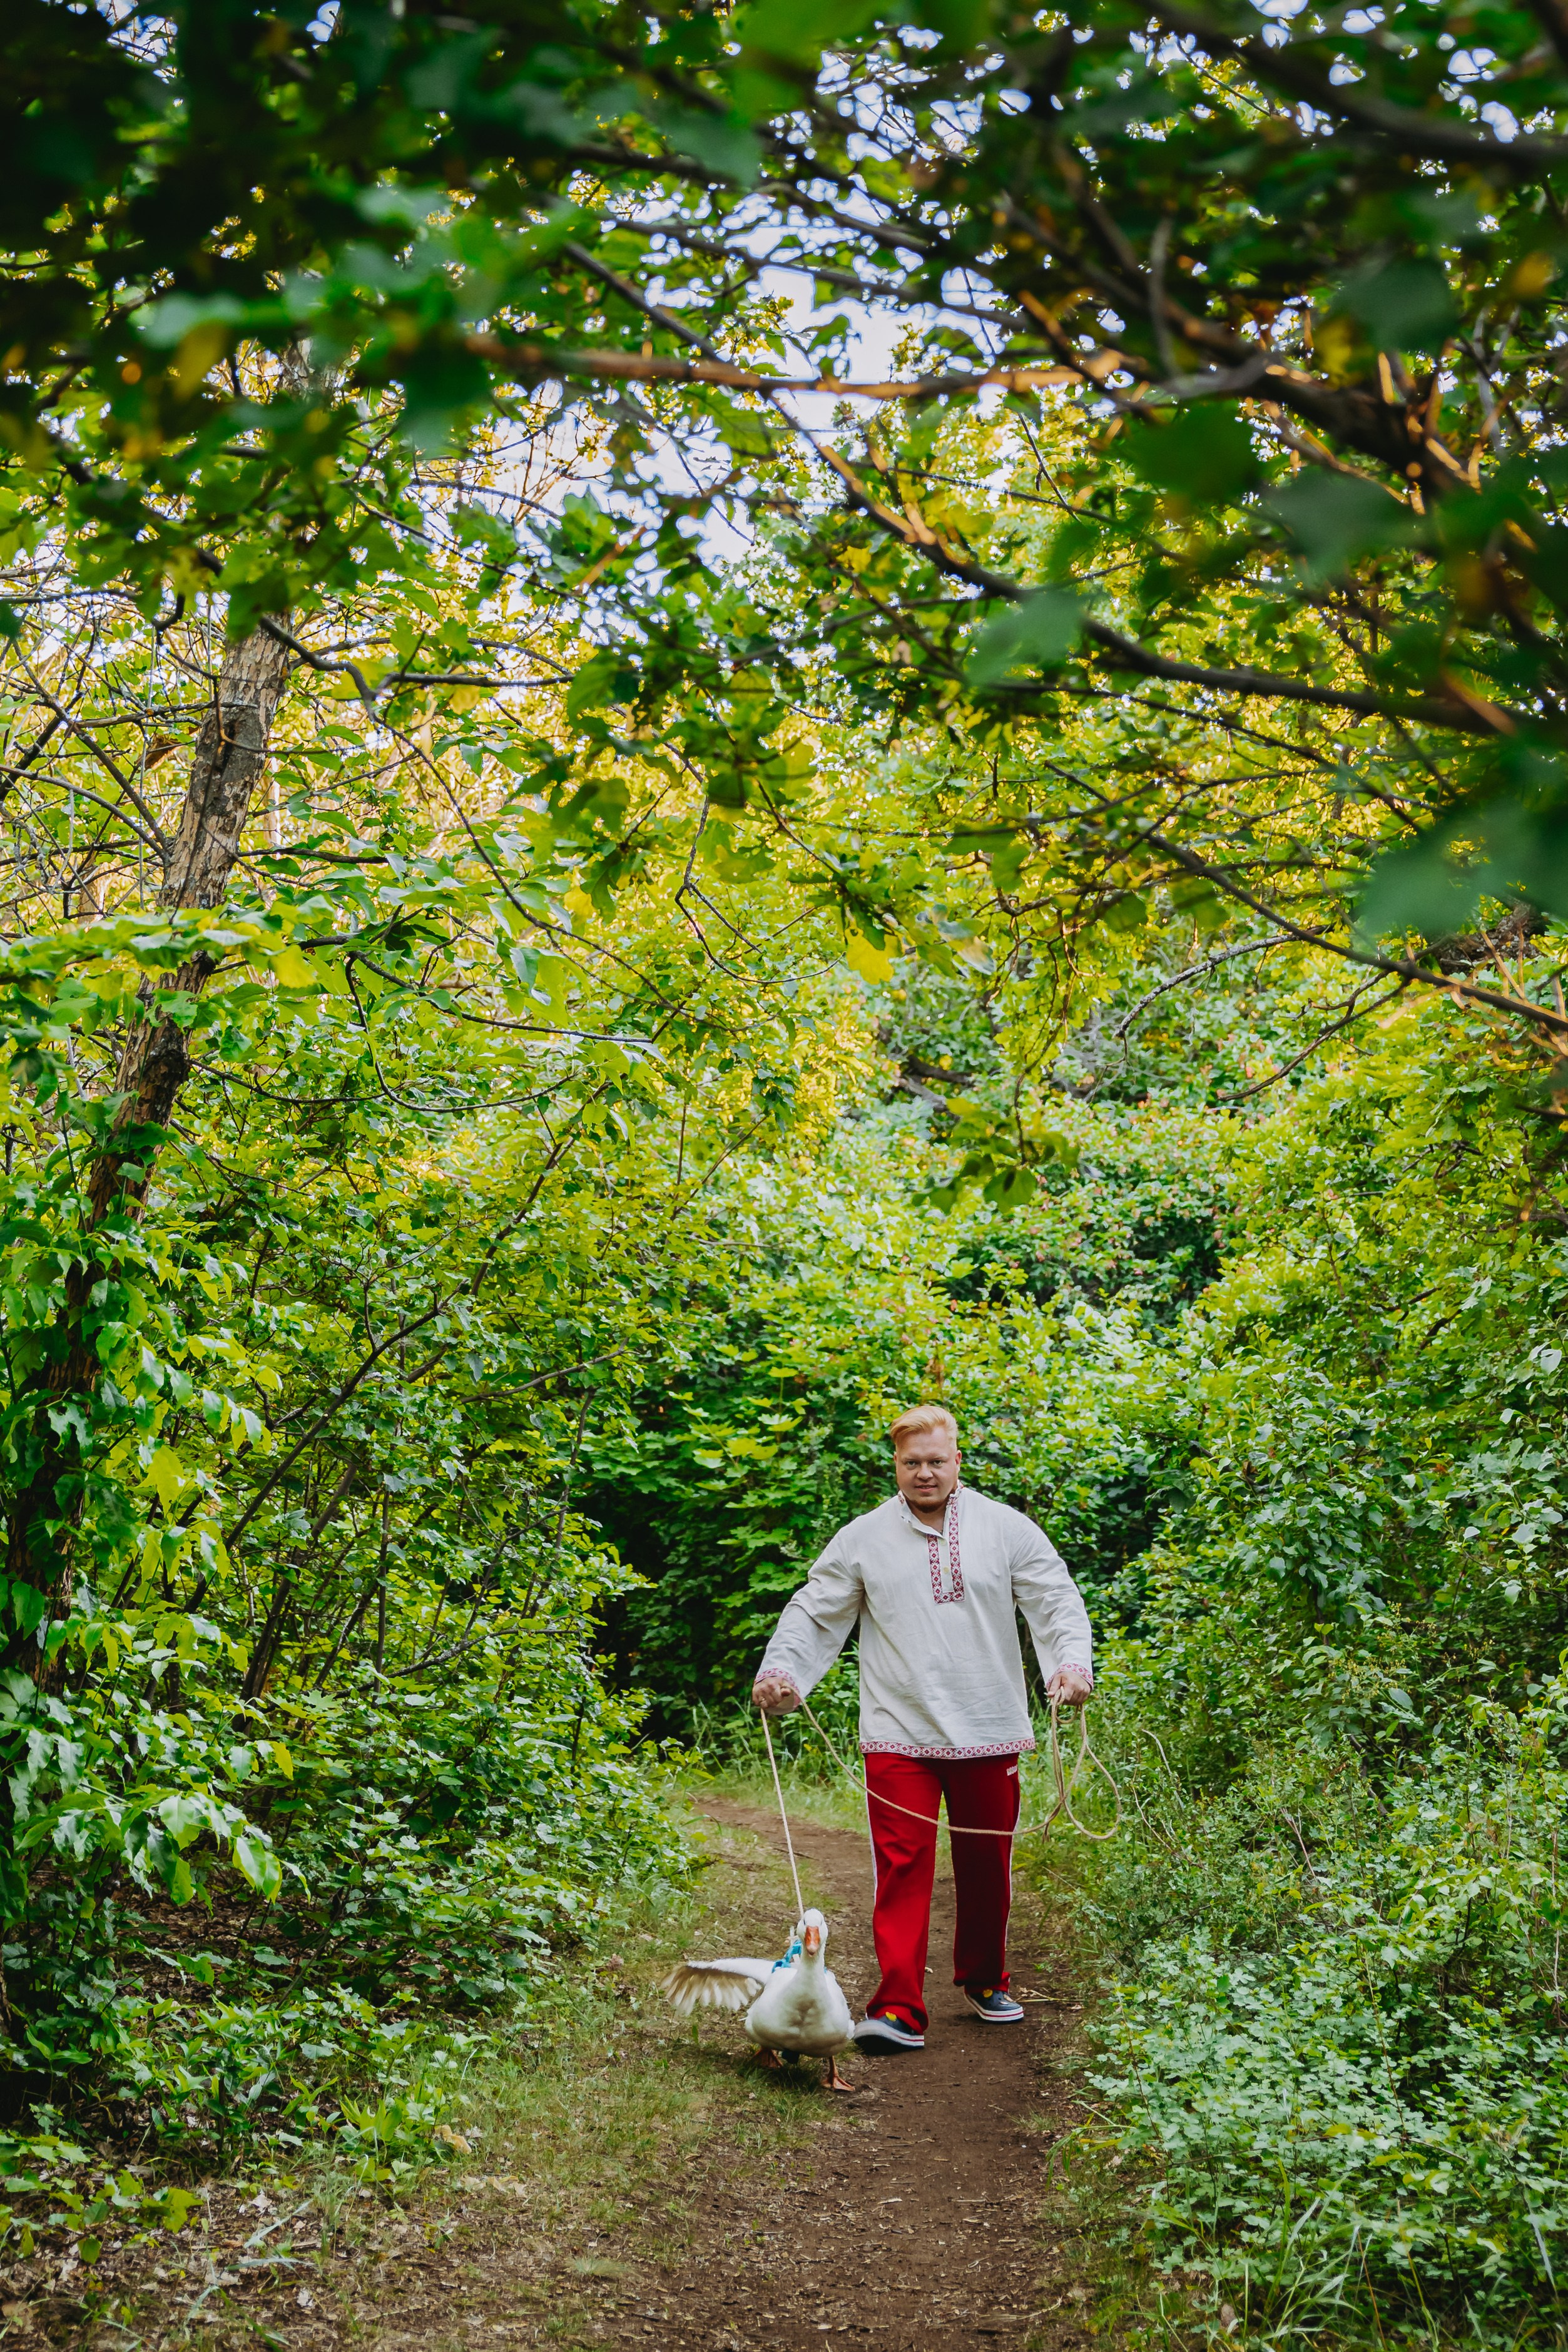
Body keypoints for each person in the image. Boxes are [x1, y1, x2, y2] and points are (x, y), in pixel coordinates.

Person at [751, 1403, 1093, 2053]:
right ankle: (899, 2008)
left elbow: (1054, 1598)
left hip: (989, 1725)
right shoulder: (862, 1538)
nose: (925, 1474)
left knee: (986, 1863)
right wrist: (781, 1673)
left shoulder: (1005, 1529)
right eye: (912, 1463)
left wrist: (1071, 1665)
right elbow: (815, 1611)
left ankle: (985, 1979)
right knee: (902, 1865)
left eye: (936, 1461)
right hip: (897, 1731)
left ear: (957, 1460)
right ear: (897, 1466)